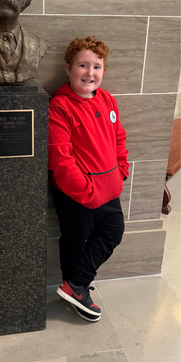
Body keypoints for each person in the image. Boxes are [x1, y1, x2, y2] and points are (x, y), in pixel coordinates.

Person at [49, 37, 128, 323]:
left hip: (109, 188)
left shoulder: (107, 99)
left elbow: (119, 137)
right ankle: (77, 289)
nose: (89, 73)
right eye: (83, 65)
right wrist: (85, 190)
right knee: (76, 241)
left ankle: (76, 284)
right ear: (68, 68)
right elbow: (60, 158)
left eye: (96, 66)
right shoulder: (60, 106)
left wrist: (121, 169)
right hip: (77, 194)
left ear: (103, 71)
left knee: (113, 230)